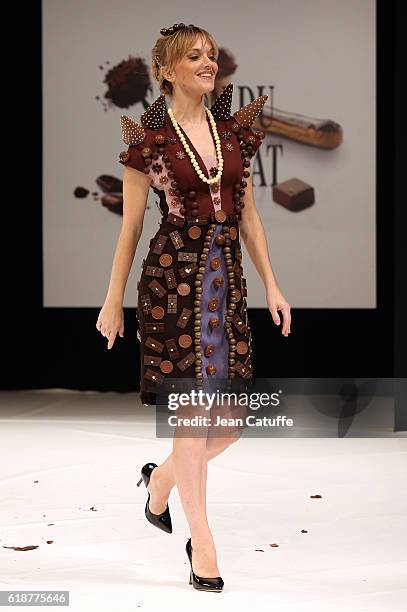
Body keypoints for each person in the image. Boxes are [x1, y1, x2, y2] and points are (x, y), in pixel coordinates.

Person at [96, 23, 291, 592]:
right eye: (194, 56)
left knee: (229, 424)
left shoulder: (234, 134)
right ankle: (201, 543)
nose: (208, 63)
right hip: (171, 285)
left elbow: (249, 216)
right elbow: (130, 227)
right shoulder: (150, 144)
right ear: (168, 71)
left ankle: (160, 482)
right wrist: (112, 300)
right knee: (191, 415)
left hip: (225, 284)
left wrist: (273, 285)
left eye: (210, 55)